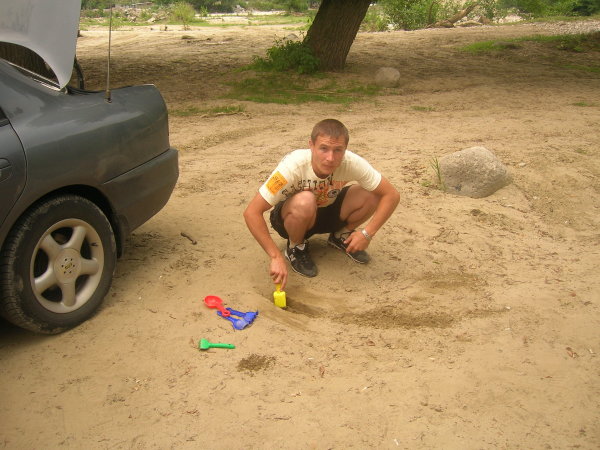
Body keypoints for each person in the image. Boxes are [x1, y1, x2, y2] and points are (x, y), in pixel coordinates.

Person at [243, 119, 400, 289]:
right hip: (292, 217)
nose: (330, 158)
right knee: (306, 199)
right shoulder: (293, 166)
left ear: (345, 149)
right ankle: (296, 247)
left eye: (338, 150)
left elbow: (391, 194)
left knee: (373, 192)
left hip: (328, 209)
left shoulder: (352, 163)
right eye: (323, 148)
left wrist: (367, 233)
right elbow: (252, 212)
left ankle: (341, 236)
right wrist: (275, 256)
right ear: (311, 145)